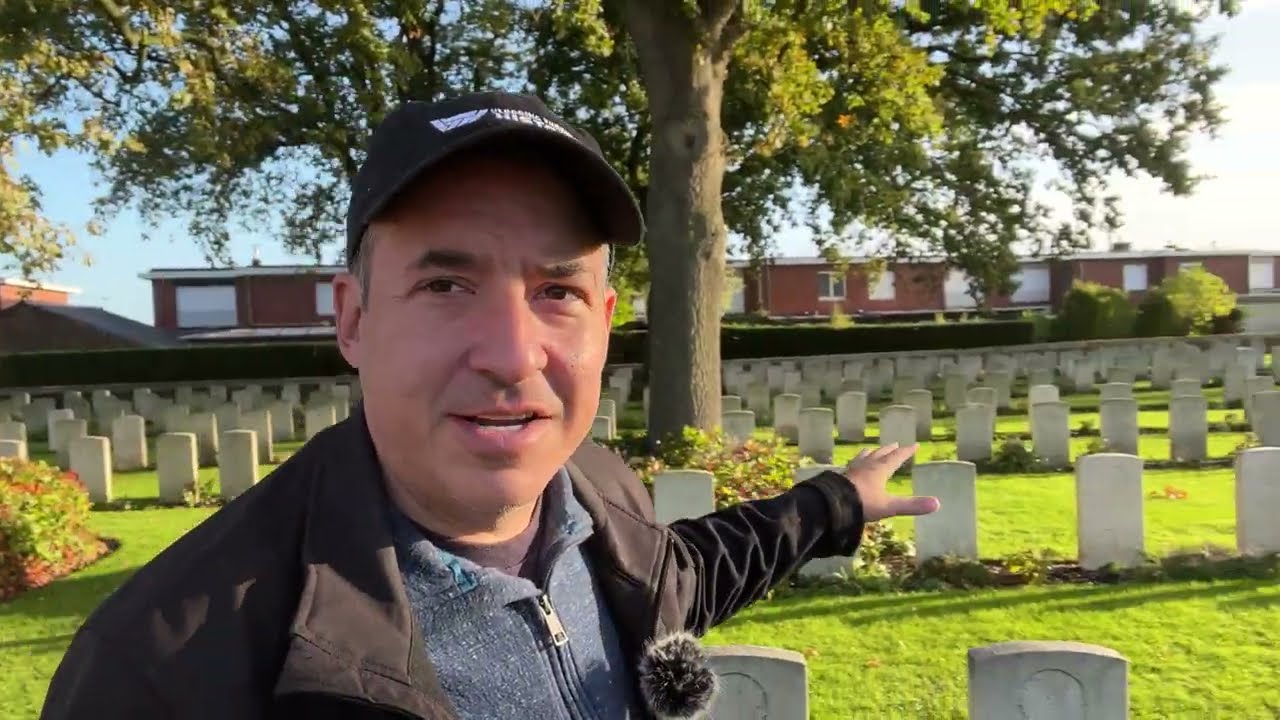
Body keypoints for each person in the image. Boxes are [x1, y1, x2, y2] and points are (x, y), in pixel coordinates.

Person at [40, 92, 939, 720]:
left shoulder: (589, 489)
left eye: (558, 291)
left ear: (606, 321)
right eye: (444, 284)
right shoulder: (164, 667)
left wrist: (834, 507)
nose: (513, 355)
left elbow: (678, 578)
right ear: (352, 320)